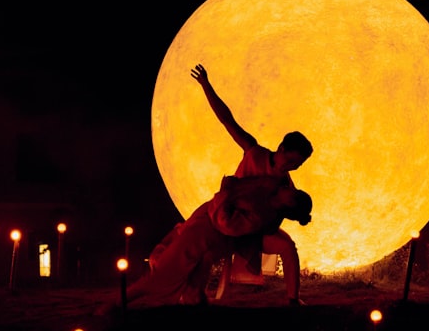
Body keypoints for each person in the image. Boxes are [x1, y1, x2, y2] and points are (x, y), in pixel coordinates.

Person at [191, 63, 314, 306]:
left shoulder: (284, 184)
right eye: (290, 160)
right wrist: (206, 85)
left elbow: (289, 209)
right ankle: (197, 299)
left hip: (252, 233)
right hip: (227, 221)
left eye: (297, 165)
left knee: (288, 247)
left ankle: (293, 300)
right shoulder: (254, 152)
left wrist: (301, 215)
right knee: (205, 254)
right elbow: (228, 121)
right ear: (281, 149)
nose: (291, 167)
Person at [127, 174, 312, 308]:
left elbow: (227, 225)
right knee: (174, 264)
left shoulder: (261, 216)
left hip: (208, 231)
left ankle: (124, 299)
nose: (289, 187)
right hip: (204, 222)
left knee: (168, 269)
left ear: (289, 206)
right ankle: (191, 296)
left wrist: (225, 194)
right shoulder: (266, 188)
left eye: (293, 194)